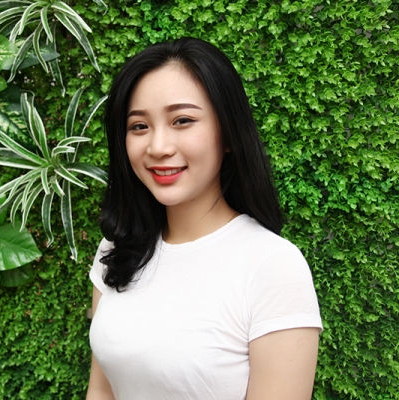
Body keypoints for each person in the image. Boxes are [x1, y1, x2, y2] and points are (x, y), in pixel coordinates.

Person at [86, 38, 323, 400]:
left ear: (227, 133)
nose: (158, 147)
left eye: (182, 121)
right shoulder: (118, 249)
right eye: (139, 126)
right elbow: (102, 389)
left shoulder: (272, 267)